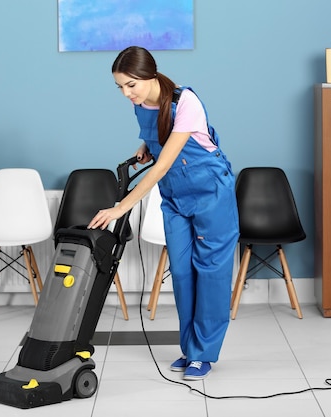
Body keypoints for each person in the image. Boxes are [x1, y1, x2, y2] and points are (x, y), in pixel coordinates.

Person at [88, 46, 239, 380]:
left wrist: (121, 206)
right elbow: (154, 139)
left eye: (131, 85)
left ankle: (204, 354)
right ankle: (190, 351)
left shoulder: (187, 103)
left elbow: (165, 163)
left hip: (211, 192)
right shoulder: (142, 104)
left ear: (149, 75)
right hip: (175, 197)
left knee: (210, 272)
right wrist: (143, 148)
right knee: (183, 273)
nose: (126, 94)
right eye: (121, 87)